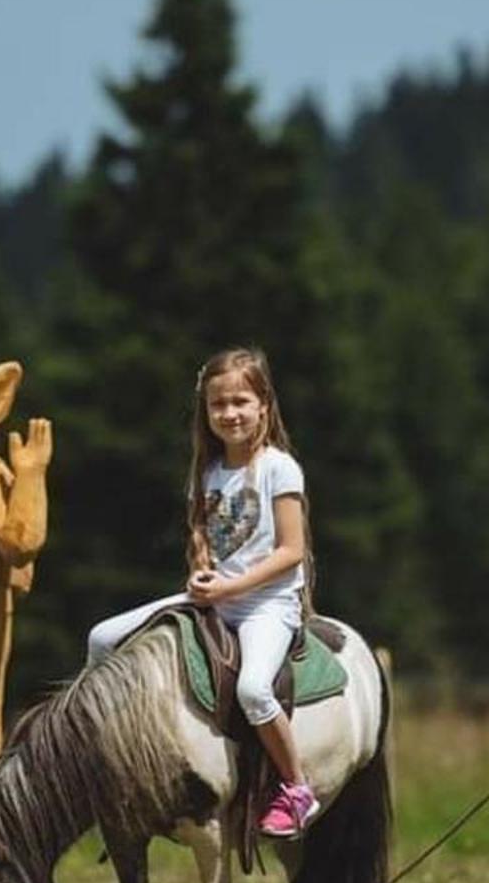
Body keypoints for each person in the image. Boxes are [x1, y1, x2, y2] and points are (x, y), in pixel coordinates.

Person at [85, 348, 318, 838]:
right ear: (205, 412)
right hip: (213, 596)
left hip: (267, 605)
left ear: (264, 406)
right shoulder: (207, 472)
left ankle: (297, 788)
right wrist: (200, 570)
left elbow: (291, 550)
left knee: (254, 689)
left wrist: (230, 585)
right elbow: (200, 534)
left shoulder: (280, 468)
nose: (229, 414)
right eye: (218, 405)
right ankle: (109, 756)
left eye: (240, 401)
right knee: (103, 638)